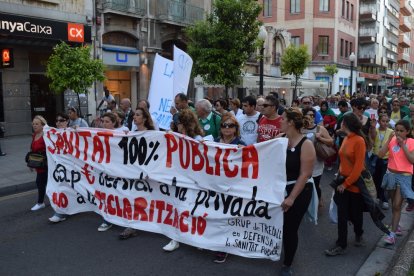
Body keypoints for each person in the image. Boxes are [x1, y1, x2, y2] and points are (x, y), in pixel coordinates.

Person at [279, 107, 315, 276]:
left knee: (290, 228)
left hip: (300, 191)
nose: (280, 121)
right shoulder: (279, 139)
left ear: (291, 123)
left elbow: (305, 174)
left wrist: (292, 197)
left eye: (282, 119)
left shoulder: (306, 144)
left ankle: (288, 264)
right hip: (281, 189)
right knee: (280, 225)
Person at [325, 113, 367, 256]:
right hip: (342, 181)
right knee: (342, 215)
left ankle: (359, 233)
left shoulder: (359, 141)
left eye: (341, 123)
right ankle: (341, 244)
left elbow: (358, 167)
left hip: (353, 184)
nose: (340, 125)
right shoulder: (346, 139)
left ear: (345, 125)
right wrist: (340, 179)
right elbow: (343, 161)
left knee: (355, 214)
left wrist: (347, 183)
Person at [163, 108, 204, 252]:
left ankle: (197, 238)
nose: (177, 126)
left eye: (179, 123)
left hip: (195, 180)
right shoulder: (174, 137)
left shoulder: (198, 139)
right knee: (178, 207)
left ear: (185, 123)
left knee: (195, 208)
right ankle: (176, 238)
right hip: (179, 179)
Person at [213, 114, 246, 263]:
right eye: (224, 125)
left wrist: (244, 151)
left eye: (230, 125)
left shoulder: (241, 144)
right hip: (215, 185)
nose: (227, 128)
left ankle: (224, 248)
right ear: (220, 128)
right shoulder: (212, 143)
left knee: (228, 217)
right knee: (215, 216)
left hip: (232, 187)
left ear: (236, 129)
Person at [119, 107, 156, 239]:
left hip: (148, 174)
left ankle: (150, 223)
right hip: (133, 173)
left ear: (145, 118)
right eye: (134, 115)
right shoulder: (131, 133)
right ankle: (132, 225)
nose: (135, 117)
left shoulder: (153, 134)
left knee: (149, 199)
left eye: (138, 115)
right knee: (133, 197)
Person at [379, 120, 414, 245]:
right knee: (394, 204)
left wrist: (403, 145)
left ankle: (392, 235)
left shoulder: (411, 142)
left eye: (401, 131)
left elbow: (412, 160)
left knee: (397, 206)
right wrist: (389, 140)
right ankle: (396, 226)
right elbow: (380, 154)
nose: (398, 133)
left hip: (404, 176)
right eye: (396, 130)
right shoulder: (392, 139)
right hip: (391, 175)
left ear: (407, 132)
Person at [302, 107, 333, 208]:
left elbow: (331, 142)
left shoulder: (320, 129)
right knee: (303, 183)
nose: (311, 117)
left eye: (313, 116)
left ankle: (318, 198)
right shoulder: (300, 128)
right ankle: (306, 202)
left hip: (317, 162)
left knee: (315, 184)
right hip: (302, 161)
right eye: (308, 115)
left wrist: (321, 138)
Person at [97, 112, 120, 232]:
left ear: (114, 123)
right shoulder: (97, 133)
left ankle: (122, 218)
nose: (104, 124)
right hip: (104, 170)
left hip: (117, 171)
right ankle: (107, 220)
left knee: (119, 195)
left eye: (107, 122)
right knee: (106, 195)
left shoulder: (120, 134)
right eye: (103, 121)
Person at [49, 113, 70, 222]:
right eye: (57, 121)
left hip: (73, 167)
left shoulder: (73, 132)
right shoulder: (53, 133)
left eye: (61, 120)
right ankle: (61, 212)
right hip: (60, 167)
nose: (58, 123)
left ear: (67, 121)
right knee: (62, 188)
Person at [371, 114, 393, 210]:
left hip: (386, 158)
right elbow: (372, 138)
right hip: (375, 157)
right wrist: (372, 127)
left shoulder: (391, 132)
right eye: (383, 121)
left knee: (383, 179)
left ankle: (384, 199)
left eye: (387, 121)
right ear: (379, 121)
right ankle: (376, 197)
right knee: (375, 178)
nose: (385, 123)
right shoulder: (375, 130)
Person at [29, 115, 48, 211]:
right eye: (33, 124)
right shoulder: (34, 135)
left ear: (42, 125)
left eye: (37, 124)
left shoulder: (46, 135)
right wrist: (31, 163)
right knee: (44, 183)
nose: (34, 125)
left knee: (40, 182)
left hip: (46, 164)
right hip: (38, 164)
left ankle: (40, 203)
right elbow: (32, 150)